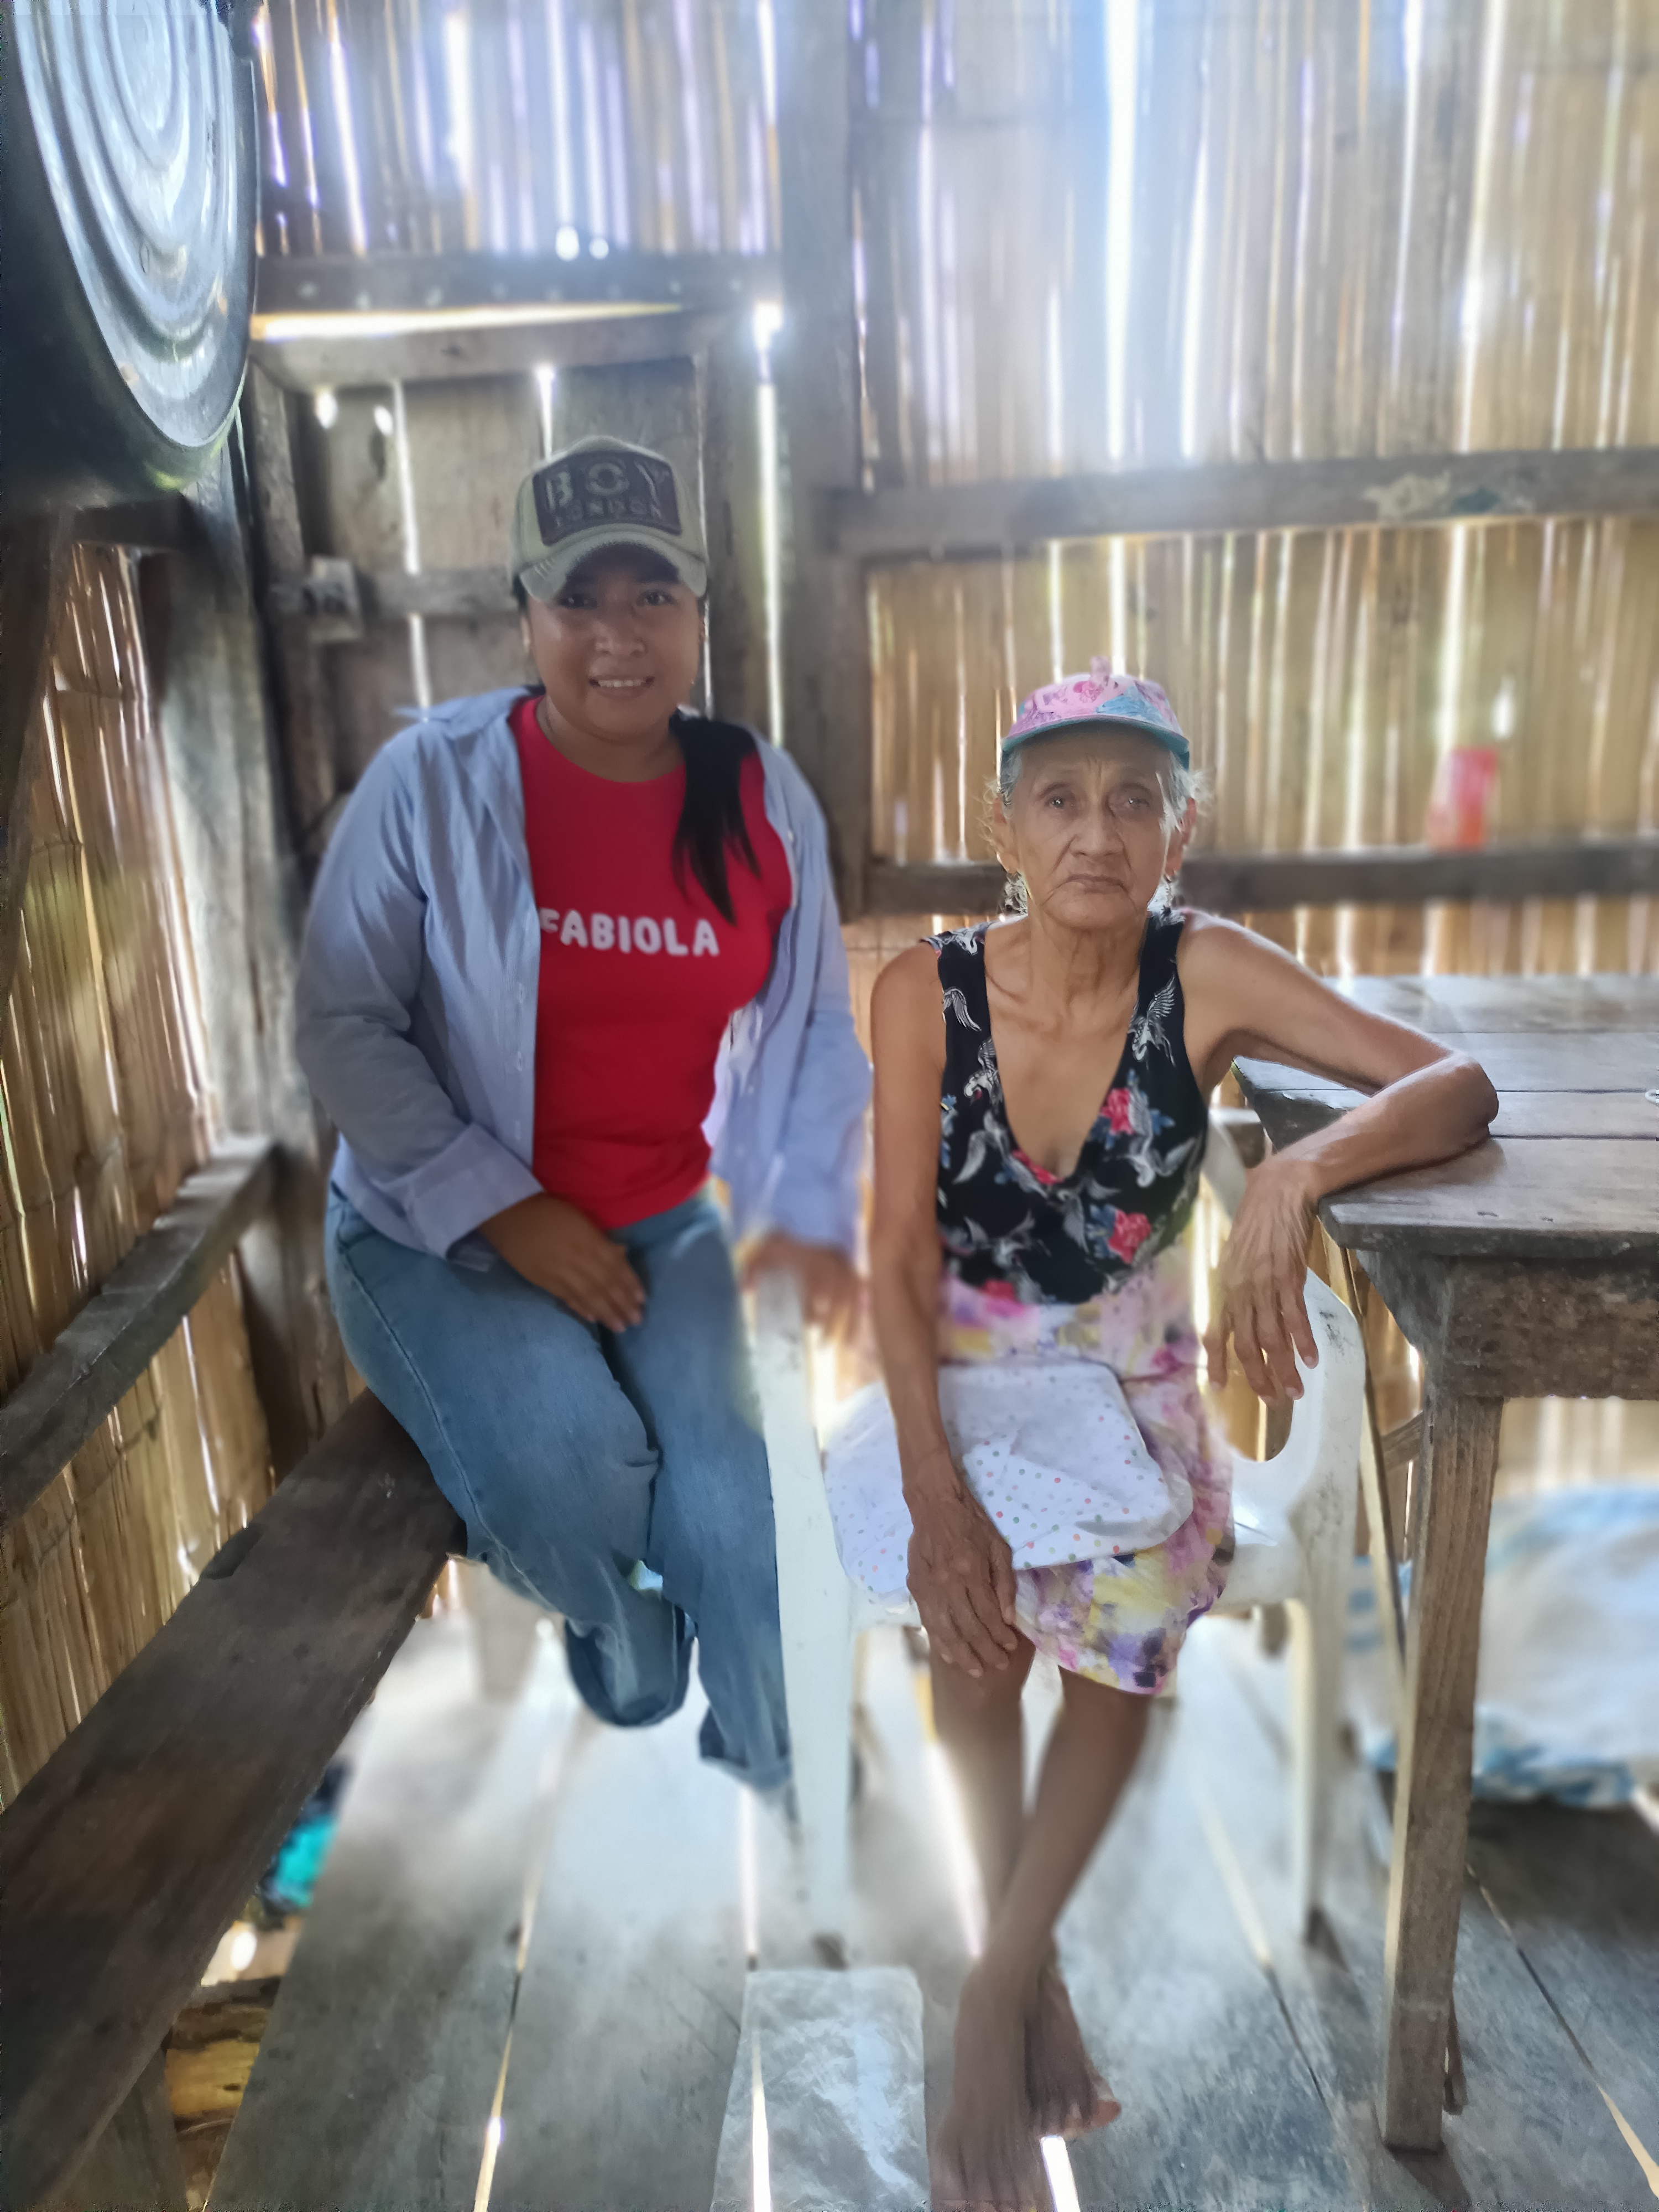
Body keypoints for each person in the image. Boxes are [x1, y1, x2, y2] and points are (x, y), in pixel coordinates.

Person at [866, 659, 1497, 2207]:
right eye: (1061, 799)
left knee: (1134, 1609)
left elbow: (1455, 1085)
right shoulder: (924, 994)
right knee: (974, 1612)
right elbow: (891, 1255)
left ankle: (993, 1994)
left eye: (1134, 801)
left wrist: (1294, 1172)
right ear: (1003, 828)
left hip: (1133, 1378)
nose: (1098, 832)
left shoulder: (1200, 969)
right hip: (962, 1365)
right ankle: (1027, 1967)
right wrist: (935, 1491)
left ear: (1178, 830)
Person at [297, 435, 869, 1795]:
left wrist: (795, 1218)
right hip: (434, 1233)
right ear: (526, 617)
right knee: (573, 1466)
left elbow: (813, 1033)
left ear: (697, 613)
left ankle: (792, 1775)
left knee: (745, 1505)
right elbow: (342, 1023)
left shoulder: (756, 795)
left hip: (666, 1218)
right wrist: (505, 1204)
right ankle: (623, 1637)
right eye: (580, 599)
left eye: (653, 595)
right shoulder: (433, 783)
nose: (620, 634)